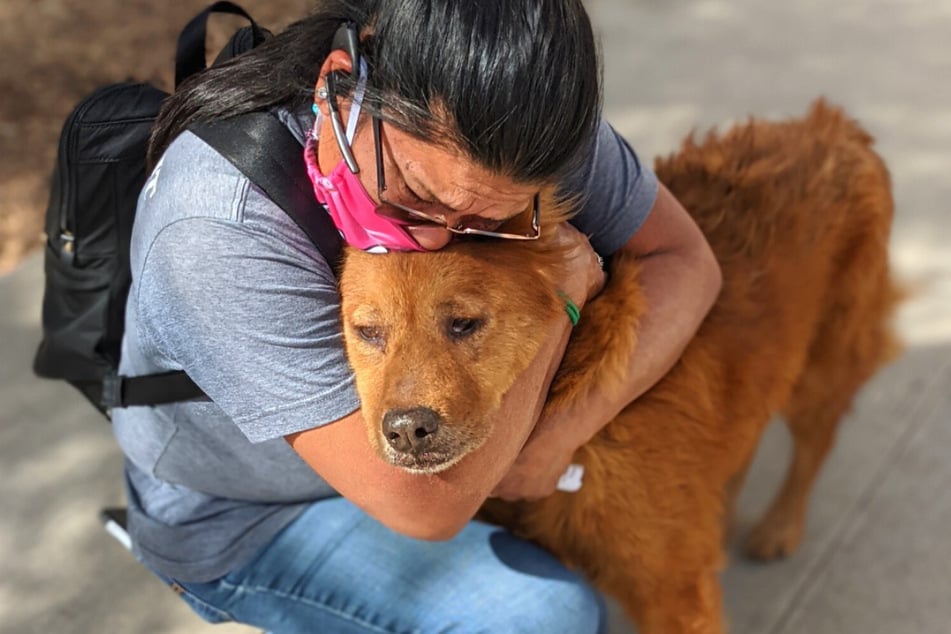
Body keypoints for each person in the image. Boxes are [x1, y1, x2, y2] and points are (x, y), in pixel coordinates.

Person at [112, 0, 722, 631]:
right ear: (338, 84)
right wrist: (561, 289)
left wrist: (563, 433)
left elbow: (685, 262)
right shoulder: (214, 229)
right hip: (246, 513)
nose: (436, 240)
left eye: (489, 223)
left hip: (432, 459)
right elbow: (425, 511)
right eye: (420, 196)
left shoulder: (523, 134)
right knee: (541, 616)